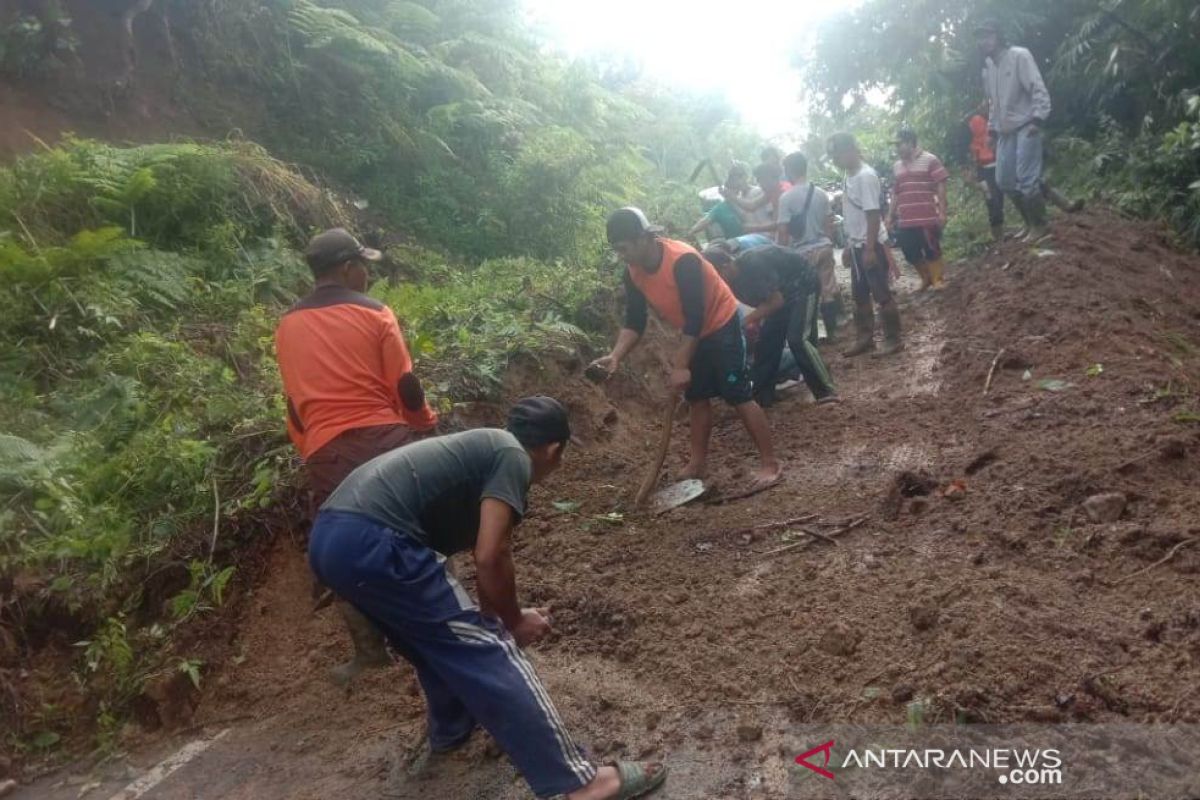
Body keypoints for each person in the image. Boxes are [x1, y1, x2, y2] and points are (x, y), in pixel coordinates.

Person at [310, 397, 668, 800]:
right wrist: (512, 622)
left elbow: (479, 561)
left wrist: (489, 615)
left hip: (331, 538)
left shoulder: (481, 450)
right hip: (374, 538)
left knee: (437, 644)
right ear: (553, 451)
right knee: (489, 650)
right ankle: (581, 783)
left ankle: (452, 727)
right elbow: (491, 554)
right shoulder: (512, 456)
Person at [275, 227, 439, 686]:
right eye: (364, 266)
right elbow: (405, 385)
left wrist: (315, 452)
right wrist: (424, 425)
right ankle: (444, 622)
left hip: (326, 451)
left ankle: (369, 652)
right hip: (384, 439)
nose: (368, 273)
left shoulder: (286, 326)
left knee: (336, 552)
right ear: (348, 269)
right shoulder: (376, 314)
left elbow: (294, 407)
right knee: (416, 531)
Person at [591, 208, 782, 490]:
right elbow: (635, 321)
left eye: (623, 248)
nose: (621, 255)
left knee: (737, 392)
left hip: (721, 324)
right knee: (697, 396)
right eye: (616, 250)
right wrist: (616, 355)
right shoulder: (633, 273)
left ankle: (770, 462)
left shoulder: (683, 260)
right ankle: (697, 463)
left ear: (644, 238)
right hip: (695, 331)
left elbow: (696, 315)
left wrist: (681, 364)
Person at [704, 243, 837, 408]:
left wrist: (746, 322)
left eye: (715, 275)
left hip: (803, 286)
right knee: (766, 343)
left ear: (725, 266)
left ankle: (825, 391)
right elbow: (765, 301)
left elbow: (775, 301)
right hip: (781, 297)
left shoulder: (753, 264)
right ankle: (762, 397)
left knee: (798, 339)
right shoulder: (731, 283)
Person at [827, 133, 904, 357]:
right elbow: (854, 215)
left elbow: (872, 215)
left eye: (837, 155)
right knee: (859, 295)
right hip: (857, 243)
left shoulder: (865, 176)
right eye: (832, 157)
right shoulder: (848, 176)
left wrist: (869, 249)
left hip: (871, 245)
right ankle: (865, 337)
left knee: (881, 293)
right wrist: (850, 246)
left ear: (850, 149)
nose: (835, 160)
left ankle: (893, 338)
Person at [976, 18, 1052, 240]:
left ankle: (1040, 224)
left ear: (998, 36)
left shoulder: (1020, 56)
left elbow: (1037, 86)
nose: (984, 42)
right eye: (980, 38)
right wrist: (991, 130)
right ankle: (1029, 223)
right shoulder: (988, 69)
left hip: (1027, 124)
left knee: (1027, 179)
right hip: (1005, 131)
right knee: (1004, 181)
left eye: (988, 36)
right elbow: (994, 103)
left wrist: (1038, 118)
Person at [776, 151, 843, 340]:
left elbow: (783, 231)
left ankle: (810, 336)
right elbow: (829, 222)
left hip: (802, 252)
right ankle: (833, 332)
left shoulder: (786, 198)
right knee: (827, 290)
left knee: (806, 295)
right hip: (823, 246)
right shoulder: (820, 193)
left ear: (789, 170)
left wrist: (782, 256)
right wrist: (827, 241)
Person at [888, 128, 950, 291]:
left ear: (910, 143)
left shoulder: (930, 160)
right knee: (909, 251)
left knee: (932, 248)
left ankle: (937, 279)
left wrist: (943, 212)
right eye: (895, 146)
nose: (896, 149)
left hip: (927, 215)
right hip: (906, 219)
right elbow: (896, 192)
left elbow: (941, 185)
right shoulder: (897, 166)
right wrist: (890, 216)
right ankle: (926, 277)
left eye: (899, 144)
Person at [964, 104, 1006, 243]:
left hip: (997, 167)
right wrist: (973, 177)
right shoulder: (973, 143)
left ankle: (999, 233)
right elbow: (973, 162)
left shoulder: (992, 135)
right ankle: (998, 235)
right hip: (985, 172)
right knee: (993, 201)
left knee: (997, 200)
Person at [687, 164, 747, 241]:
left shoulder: (747, 201)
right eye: (730, 189)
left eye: (736, 189)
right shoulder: (720, 208)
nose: (734, 191)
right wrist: (691, 232)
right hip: (734, 243)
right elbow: (705, 221)